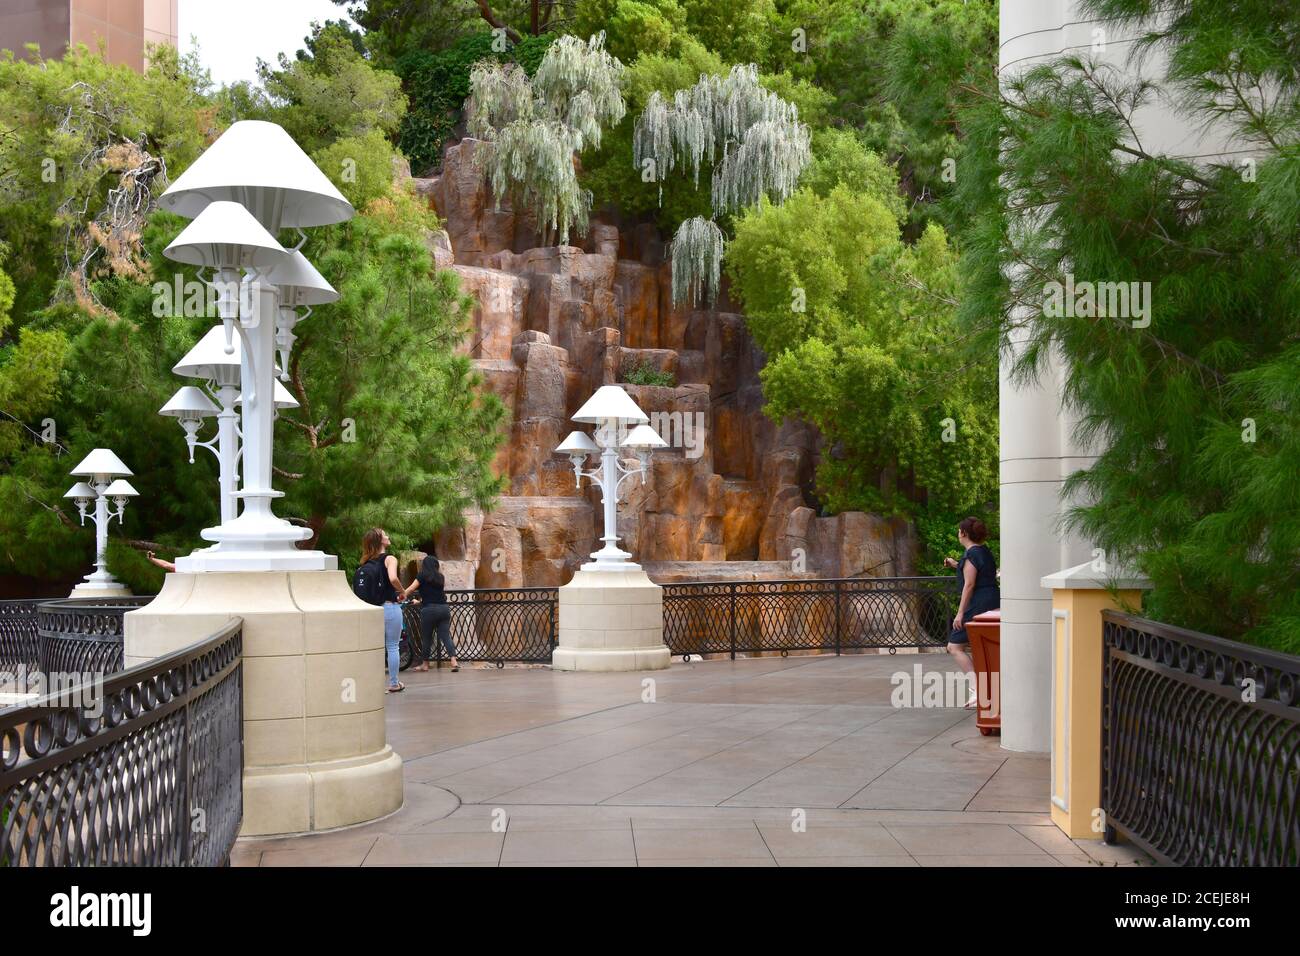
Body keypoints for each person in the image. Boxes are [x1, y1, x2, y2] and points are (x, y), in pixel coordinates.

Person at [943, 517, 999, 707]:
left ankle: (978, 689)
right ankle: (987, 689)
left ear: (964, 533)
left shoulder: (971, 555)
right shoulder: (982, 551)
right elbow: (976, 571)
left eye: (959, 531)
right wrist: (955, 564)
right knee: (981, 646)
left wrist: (960, 613)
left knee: (954, 647)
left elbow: (969, 584)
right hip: (992, 599)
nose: (958, 534)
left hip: (978, 603)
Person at [359, 528, 407, 693]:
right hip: (389, 608)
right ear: (380, 540)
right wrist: (402, 591)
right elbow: (393, 578)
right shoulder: (389, 559)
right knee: (393, 646)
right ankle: (394, 683)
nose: (388, 536)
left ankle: (372, 685)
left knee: (375, 647)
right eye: (385, 534)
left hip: (372, 610)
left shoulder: (366, 562)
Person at [405, 554, 459, 673]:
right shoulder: (440, 577)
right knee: (445, 636)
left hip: (429, 610)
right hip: (444, 609)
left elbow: (411, 589)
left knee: (427, 638)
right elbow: (435, 595)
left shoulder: (422, 575)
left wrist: (401, 594)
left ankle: (425, 665)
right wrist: (420, 601)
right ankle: (454, 661)